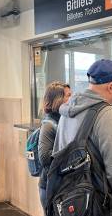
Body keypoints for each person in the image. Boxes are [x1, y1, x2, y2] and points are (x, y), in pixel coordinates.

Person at [53, 59, 112, 215]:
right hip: (97, 204)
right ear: (111, 87)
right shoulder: (106, 112)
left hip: (69, 201)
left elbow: (57, 154)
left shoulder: (67, 111)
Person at [38, 81, 71, 212]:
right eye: (68, 95)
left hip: (61, 185)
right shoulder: (49, 125)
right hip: (49, 187)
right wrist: (70, 152)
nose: (71, 98)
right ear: (58, 99)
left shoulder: (63, 120)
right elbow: (44, 157)